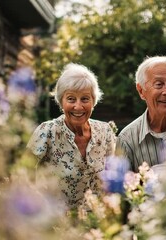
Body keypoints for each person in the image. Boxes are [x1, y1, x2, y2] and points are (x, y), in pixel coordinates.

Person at [27, 63, 116, 208]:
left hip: (97, 222)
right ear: (61, 101)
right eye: (71, 99)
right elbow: (23, 173)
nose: (78, 106)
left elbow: (112, 177)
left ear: (94, 101)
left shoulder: (105, 132)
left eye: (85, 99)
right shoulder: (47, 131)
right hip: (57, 222)